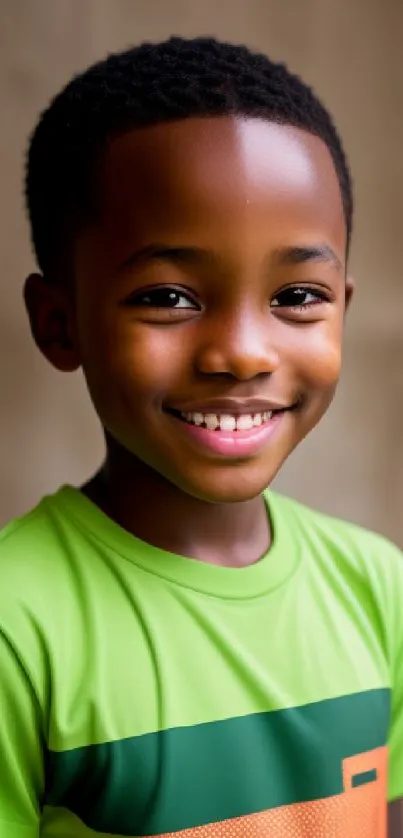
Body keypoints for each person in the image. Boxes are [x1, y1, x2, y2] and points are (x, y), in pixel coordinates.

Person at [0, 35, 402, 838]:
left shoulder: (378, 587)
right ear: (59, 322)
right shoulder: (17, 626)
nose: (244, 352)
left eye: (295, 294)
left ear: (343, 310)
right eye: (169, 296)